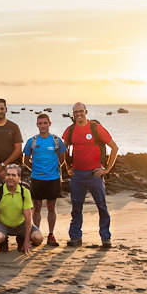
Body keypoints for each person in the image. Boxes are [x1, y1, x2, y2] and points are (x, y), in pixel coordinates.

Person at [62, 102, 119, 248]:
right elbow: (64, 150)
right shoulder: (70, 130)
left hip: (95, 174)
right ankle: (75, 237)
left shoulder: (96, 128)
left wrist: (106, 170)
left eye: (81, 111)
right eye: (76, 112)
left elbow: (114, 147)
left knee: (102, 207)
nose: (79, 114)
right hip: (77, 175)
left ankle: (105, 238)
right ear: (73, 114)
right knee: (76, 208)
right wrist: (68, 168)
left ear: (86, 112)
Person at [22, 113, 66, 247]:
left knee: (51, 207)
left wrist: (52, 170)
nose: (42, 126)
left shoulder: (56, 140)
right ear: (37, 125)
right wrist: (36, 170)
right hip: (37, 179)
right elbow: (25, 160)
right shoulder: (32, 141)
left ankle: (51, 234)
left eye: (45, 123)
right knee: (37, 207)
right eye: (40, 123)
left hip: (53, 179)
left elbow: (62, 159)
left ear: (49, 124)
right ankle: (36, 234)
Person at [0, 164, 43, 254]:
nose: (10, 178)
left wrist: (27, 241)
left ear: (19, 177)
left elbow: (28, 218)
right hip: (2, 224)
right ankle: (3, 242)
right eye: (8, 175)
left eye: (13, 175)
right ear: (5, 177)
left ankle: (22, 239)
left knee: (38, 238)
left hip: (21, 224)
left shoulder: (25, 192)